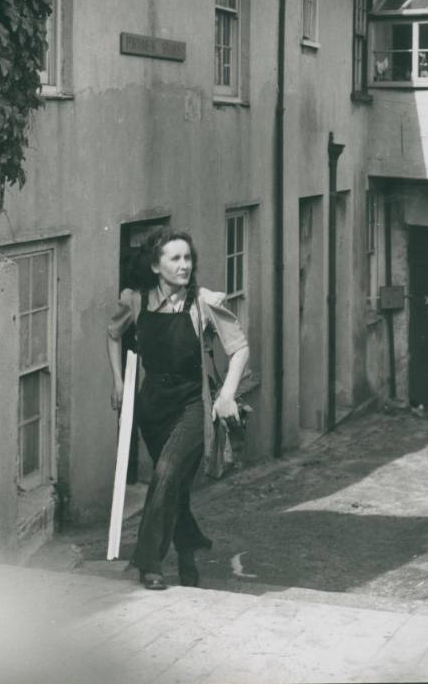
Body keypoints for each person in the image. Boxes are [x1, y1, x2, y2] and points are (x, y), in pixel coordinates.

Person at [107, 228, 249, 590]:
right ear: (156, 265)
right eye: (175, 258)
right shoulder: (137, 301)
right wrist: (119, 381)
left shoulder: (203, 303)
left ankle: (148, 562)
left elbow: (240, 348)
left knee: (167, 474)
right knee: (172, 487)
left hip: (192, 406)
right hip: (152, 409)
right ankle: (188, 551)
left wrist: (227, 394)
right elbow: (112, 333)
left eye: (188, 258)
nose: (184, 265)